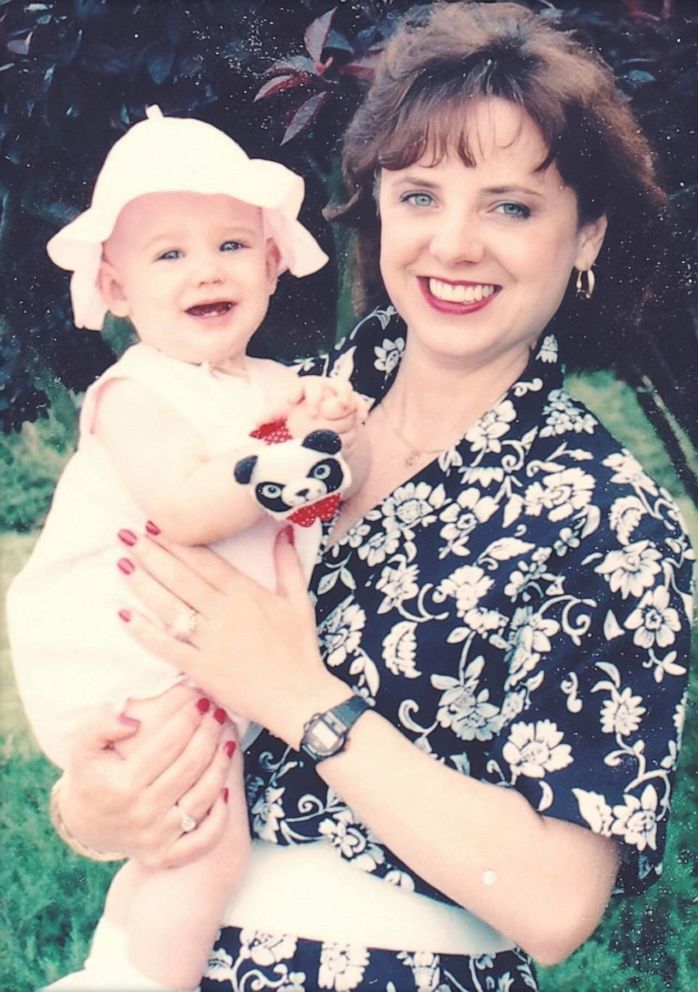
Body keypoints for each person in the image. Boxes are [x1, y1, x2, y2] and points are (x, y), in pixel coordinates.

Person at [44, 3, 694, 990]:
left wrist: (299, 695)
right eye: (420, 193)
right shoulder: (276, 409)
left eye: (511, 206)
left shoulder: (604, 520)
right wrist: (92, 803)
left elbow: (557, 903)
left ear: (585, 233)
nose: (455, 243)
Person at [6, 107, 368, 991]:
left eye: (231, 247)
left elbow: (337, 482)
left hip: (209, 653)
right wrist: (278, 469)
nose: (206, 269)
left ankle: (109, 960)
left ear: (273, 262)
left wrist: (334, 435)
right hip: (129, 661)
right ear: (118, 288)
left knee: (177, 848)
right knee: (207, 847)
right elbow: (183, 505)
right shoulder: (133, 393)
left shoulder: (283, 386)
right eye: (169, 254)